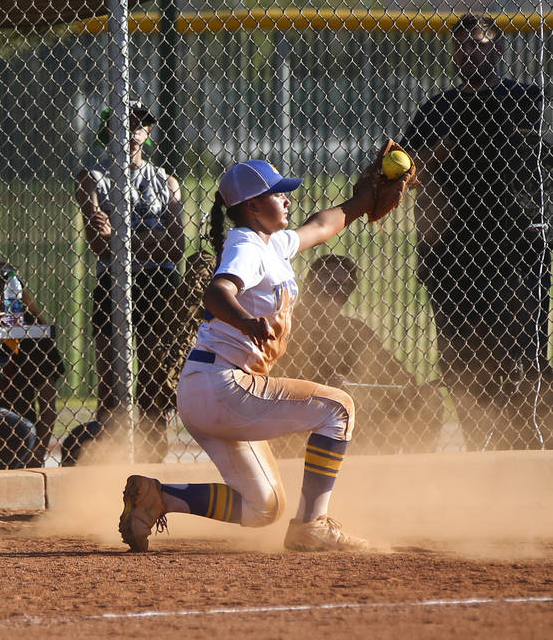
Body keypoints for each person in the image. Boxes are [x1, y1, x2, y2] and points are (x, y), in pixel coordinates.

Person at [118, 158, 392, 554]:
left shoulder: (271, 244)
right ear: (252, 206)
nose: (287, 199)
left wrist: (364, 200)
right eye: (278, 193)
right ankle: (312, 525)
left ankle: (158, 498)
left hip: (208, 389)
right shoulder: (246, 245)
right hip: (225, 386)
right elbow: (217, 292)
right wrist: (248, 321)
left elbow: (321, 226)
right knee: (339, 410)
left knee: (263, 508)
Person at [401, 15, 553, 450]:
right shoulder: (437, 110)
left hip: (517, 251)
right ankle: (478, 452)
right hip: (451, 257)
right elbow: (404, 174)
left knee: (522, 357)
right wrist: (438, 152)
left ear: (499, 49)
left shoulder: (528, 101)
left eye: (482, 44)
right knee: (462, 362)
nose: (472, 53)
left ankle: (526, 448)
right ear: (453, 53)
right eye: (464, 46)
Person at [69, 100, 184, 464]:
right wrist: (150, 239)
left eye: (141, 124)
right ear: (108, 131)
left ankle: (152, 462)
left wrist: (120, 233)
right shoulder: (92, 177)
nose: (133, 130)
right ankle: (109, 460)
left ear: (148, 132)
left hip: (158, 284)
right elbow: (100, 245)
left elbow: (176, 247)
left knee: (153, 382)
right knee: (112, 385)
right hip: (113, 285)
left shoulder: (166, 180)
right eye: (124, 123)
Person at [271, 254, 443, 455]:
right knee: (342, 399)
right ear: (309, 284)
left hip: (360, 412)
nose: (337, 291)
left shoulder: (355, 330)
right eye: (330, 282)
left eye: (344, 286)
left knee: (430, 398)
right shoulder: (285, 326)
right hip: (298, 412)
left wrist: (363, 387)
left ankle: (415, 470)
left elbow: (399, 377)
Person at [0, 260, 61, 467]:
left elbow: (48, 406)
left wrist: (37, 452)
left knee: (21, 430)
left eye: (4, 297)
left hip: (20, 428)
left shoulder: (33, 331)